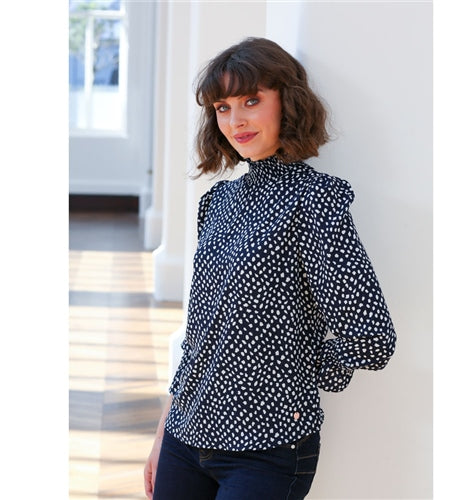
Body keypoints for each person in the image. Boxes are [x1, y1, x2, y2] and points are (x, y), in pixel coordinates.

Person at [144, 37, 396, 500]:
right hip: (186, 436)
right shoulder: (217, 202)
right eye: (222, 108)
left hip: (266, 452)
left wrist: (292, 377)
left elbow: (371, 336)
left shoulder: (314, 200)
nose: (235, 121)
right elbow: (200, 332)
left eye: (251, 101)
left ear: (288, 101)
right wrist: (165, 427)